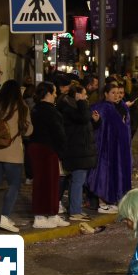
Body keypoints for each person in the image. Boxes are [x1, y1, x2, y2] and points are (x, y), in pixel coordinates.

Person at [0, 80, 33, 233]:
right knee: (13, 185)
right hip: (13, 153)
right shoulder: (22, 107)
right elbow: (28, 131)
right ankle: (4, 216)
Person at [28, 82, 69, 229]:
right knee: (47, 183)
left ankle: (51, 214)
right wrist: (63, 151)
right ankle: (41, 216)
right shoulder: (49, 111)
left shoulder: (36, 109)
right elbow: (58, 133)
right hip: (47, 149)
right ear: (48, 93)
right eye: (54, 92)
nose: (56, 95)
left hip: (39, 148)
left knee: (47, 182)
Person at [87, 82, 132, 214]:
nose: (115, 95)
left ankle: (108, 201)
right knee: (103, 173)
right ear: (106, 94)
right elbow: (99, 128)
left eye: (117, 93)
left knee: (110, 173)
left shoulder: (114, 107)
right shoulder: (103, 107)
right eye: (113, 93)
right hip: (105, 148)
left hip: (113, 148)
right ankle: (102, 203)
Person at [58, 85, 99, 221]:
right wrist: (81, 102)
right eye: (84, 94)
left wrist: (96, 121)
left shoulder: (76, 108)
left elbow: (86, 124)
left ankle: (75, 209)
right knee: (77, 181)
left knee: (77, 181)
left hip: (81, 150)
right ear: (77, 95)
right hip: (76, 150)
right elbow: (82, 119)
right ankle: (75, 211)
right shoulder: (69, 108)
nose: (86, 97)